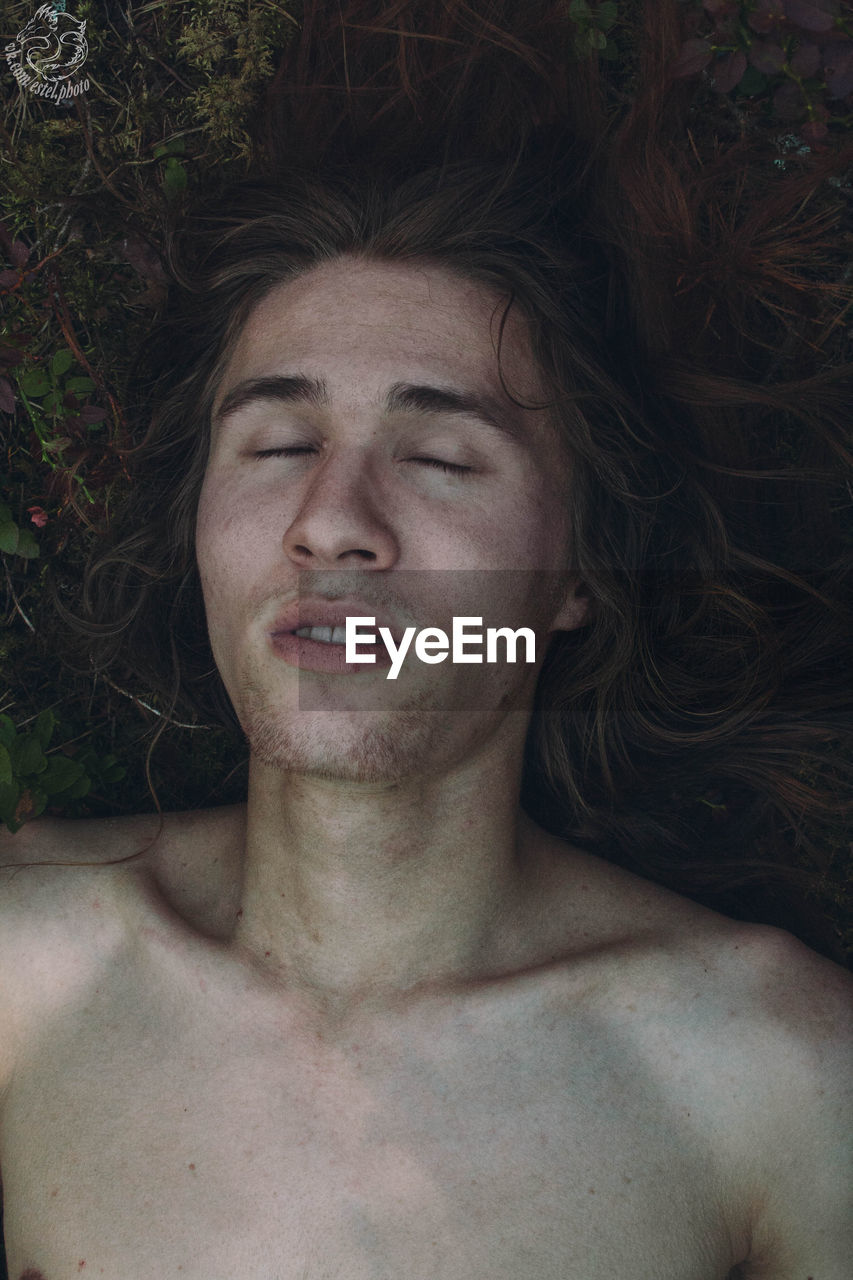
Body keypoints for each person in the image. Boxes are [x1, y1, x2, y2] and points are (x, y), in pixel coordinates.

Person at [1, 2, 851, 1276]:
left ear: (576, 575)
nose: (331, 523)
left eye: (444, 456)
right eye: (278, 444)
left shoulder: (775, 1080)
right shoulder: (26, 976)